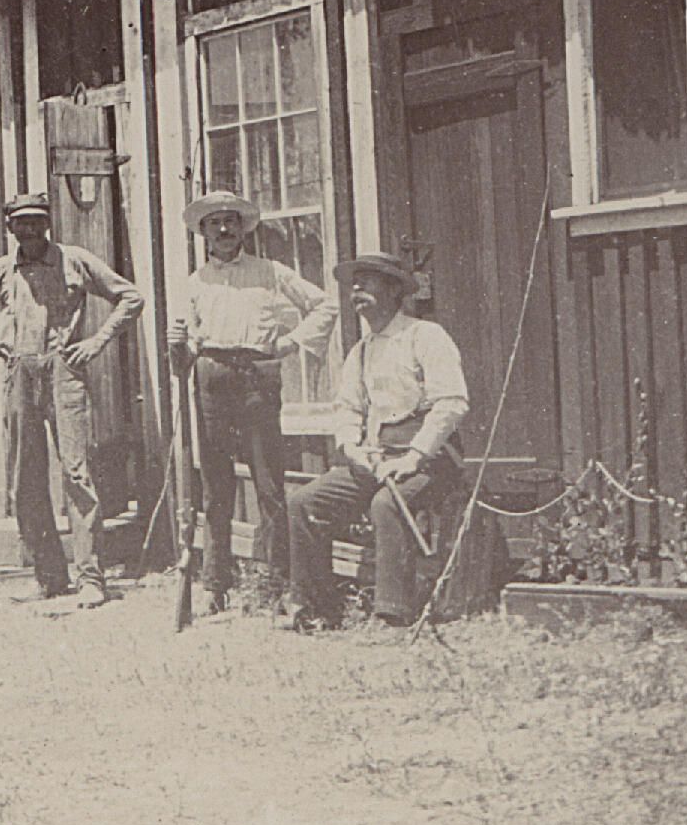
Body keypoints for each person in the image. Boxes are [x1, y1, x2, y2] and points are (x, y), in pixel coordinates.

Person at [0, 191, 144, 608]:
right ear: (10, 227)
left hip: (64, 371)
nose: (30, 228)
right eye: (22, 222)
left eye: (37, 220)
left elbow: (131, 297)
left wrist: (97, 341)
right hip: (20, 371)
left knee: (77, 473)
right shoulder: (2, 270)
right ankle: (49, 576)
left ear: (48, 223)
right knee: (26, 477)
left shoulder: (74, 260)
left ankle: (91, 578)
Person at [167, 190, 336, 612]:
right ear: (203, 232)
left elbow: (324, 305)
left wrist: (290, 343)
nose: (224, 229)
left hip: (257, 377)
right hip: (211, 377)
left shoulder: (270, 272)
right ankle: (215, 585)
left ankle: (277, 585)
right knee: (216, 486)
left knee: (268, 483)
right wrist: (179, 345)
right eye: (214, 223)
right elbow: (185, 350)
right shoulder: (194, 283)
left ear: (242, 228)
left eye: (230, 221)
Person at [288, 249, 470, 629]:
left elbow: (452, 403)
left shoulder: (425, 336)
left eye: (366, 281)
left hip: (430, 461)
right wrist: (353, 449)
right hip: (376, 459)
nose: (356, 290)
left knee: (387, 504)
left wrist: (414, 456)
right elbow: (347, 409)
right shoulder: (361, 351)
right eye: (353, 284)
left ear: (393, 289)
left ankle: (392, 614)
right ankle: (317, 610)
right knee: (305, 503)